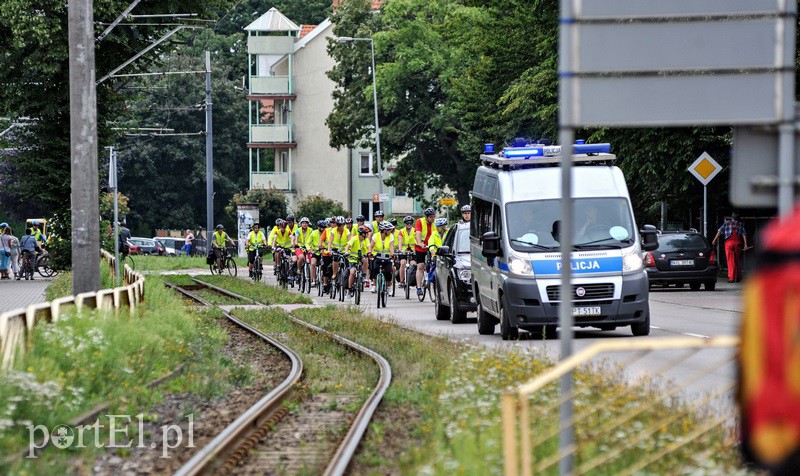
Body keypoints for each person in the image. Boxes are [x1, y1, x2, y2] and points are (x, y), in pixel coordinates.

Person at [712, 212, 749, 283]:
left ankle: (731, 278)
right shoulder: (740, 224)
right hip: (738, 244)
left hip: (728, 244)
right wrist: (745, 245)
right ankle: (738, 277)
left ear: (731, 218)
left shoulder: (726, 223)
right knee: (737, 261)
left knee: (730, 261)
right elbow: (744, 235)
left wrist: (714, 240)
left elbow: (719, 231)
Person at [414, 208, 437, 296]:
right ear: (426, 217)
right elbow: (418, 233)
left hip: (431, 247)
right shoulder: (420, 222)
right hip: (421, 247)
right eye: (431, 217)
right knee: (420, 266)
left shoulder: (435, 223)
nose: (433, 219)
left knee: (434, 265)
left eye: (434, 217)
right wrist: (420, 243)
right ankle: (419, 288)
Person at [343, 226, 370, 297]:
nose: (368, 235)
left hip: (361, 257)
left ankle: (364, 275)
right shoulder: (354, 238)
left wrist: (370, 252)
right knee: (352, 272)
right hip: (353, 258)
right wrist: (346, 252)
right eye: (367, 233)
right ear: (363, 234)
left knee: (366, 260)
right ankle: (349, 289)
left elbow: (369, 247)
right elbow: (347, 246)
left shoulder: (366, 240)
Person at [369, 221, 395, 293]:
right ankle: (374, 286)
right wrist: (370, 252)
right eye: (389, 230)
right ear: (384, 230)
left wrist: (393, 255)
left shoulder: (391, 236)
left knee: (388, 271)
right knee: (375, 269)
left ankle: (389, 287)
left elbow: (391, 247)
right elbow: (371, 246)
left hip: (387, 257)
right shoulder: (375, 236)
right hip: (377, 256)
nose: (391, 231)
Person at [327, 216, 350, 285]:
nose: (341, 226)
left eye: (343, 224)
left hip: (344, 249)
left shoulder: (347, 231)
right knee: (335, 258)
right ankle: (334, 274)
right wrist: (329, 250)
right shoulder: (333, 230)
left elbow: (349, 241)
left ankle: (346, 278)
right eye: (340, 225)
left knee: (347, 262)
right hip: (335, 249)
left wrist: (348, 251)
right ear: (337, 224)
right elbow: (330, 241)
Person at [398, 216, 416, 288]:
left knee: (413, 264)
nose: (409, 224)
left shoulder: (415, 231)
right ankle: (402, 281)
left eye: (410, 222)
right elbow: (400, 241)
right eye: (407, 223)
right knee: (403, 263)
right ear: (404, 224)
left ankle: (412, 280)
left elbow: (417, 240)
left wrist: (416, 249)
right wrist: (400, 249)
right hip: (404, 251)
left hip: (413, 250)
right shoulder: (401, 231)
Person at [293, 217, 313, 281]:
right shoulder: (298, 230)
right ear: (301, 224)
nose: (305, 224)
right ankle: (299, 269)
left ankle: (311, 276)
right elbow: (296, 238)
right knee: (301, 257)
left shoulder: (311, 230)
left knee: (311, 260)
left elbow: (313, 238)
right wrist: (296, 244)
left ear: (308, 224)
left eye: (306, 223)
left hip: (308, 247)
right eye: (303, 223)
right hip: (299, 247)